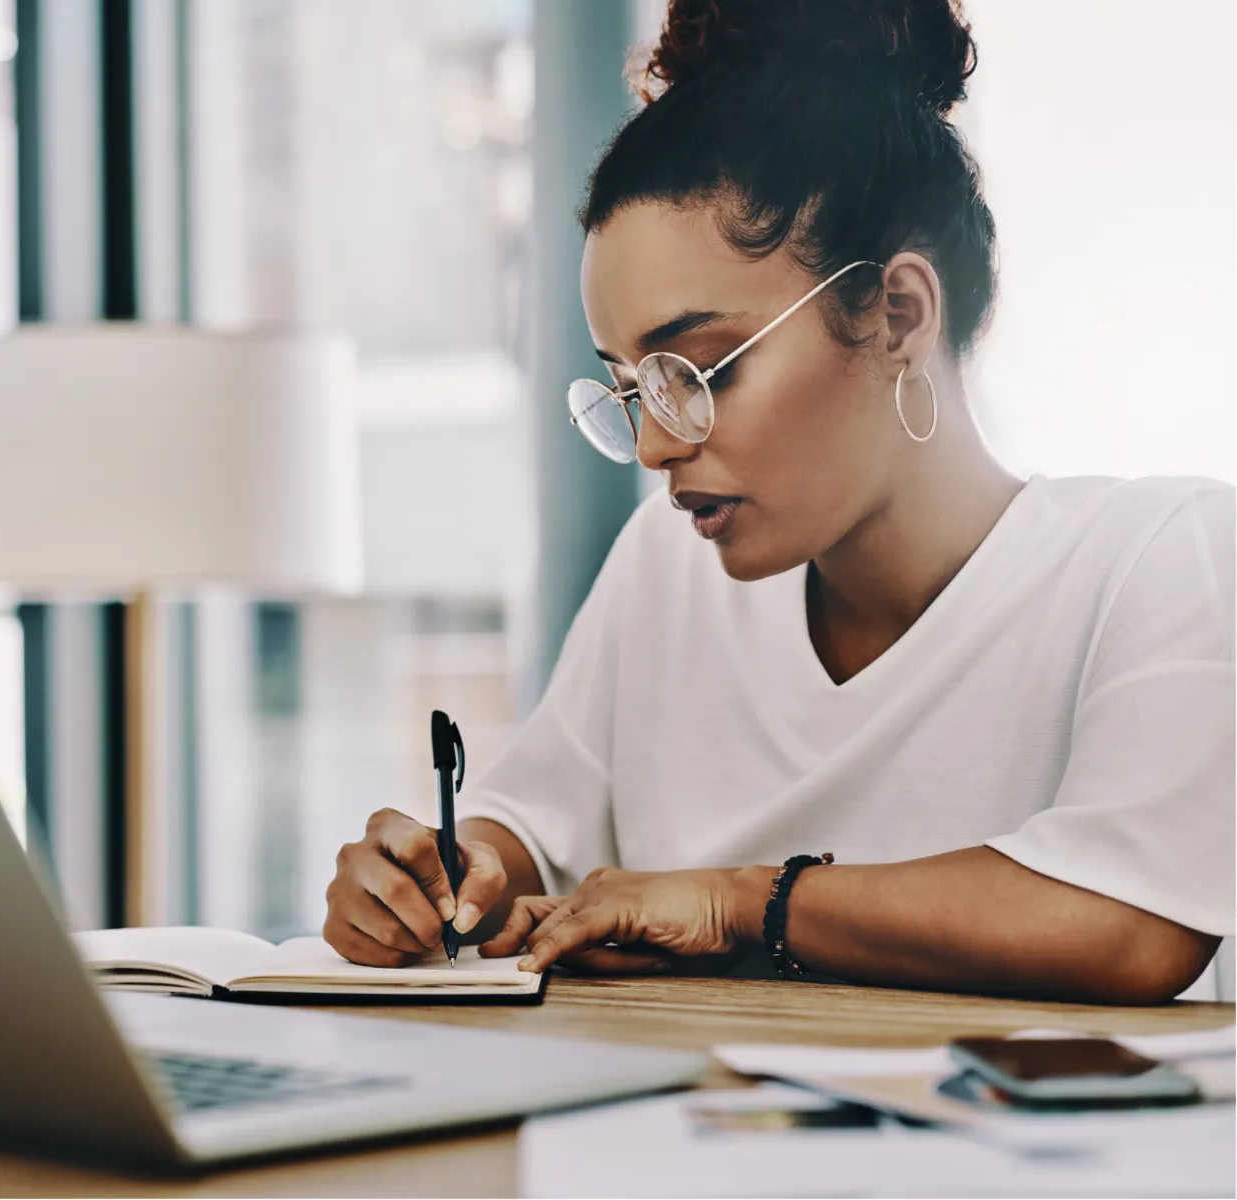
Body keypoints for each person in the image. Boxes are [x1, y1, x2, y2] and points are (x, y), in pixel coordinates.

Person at [323, 0, 1233, 1004]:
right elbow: (533, 832)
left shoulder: (1161, 560)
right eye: (633, 390)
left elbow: (1126, 924)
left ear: (898, 313)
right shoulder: (669, 572)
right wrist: (445, 879)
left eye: (700, 370)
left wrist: (733, 904)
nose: (659, 444)